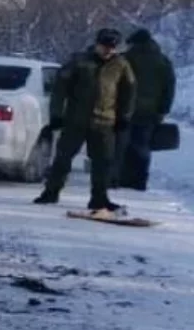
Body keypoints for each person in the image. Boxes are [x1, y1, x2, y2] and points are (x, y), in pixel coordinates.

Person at [34, 28, 136, 213]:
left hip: (105, 121)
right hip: (76, 120)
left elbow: (128, 92)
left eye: (112, 47)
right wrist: (56, 114)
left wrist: (124, 117)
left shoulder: (121, 65)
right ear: (97, 44)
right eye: (104, 46)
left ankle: (99, 199)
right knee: (63, 158)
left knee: (103, 162)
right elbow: (60, 89)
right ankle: (51, 192)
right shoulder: (79, 61)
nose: (108, 50)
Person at [115, 28, 176, 191]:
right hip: (150, 112)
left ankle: (119, 179)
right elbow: (169, 87)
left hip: (124, 109)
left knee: (121, 144)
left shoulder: (126, 59)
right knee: (142, 146)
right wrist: (163, 110)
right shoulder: (163, 61)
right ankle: (139, 182)